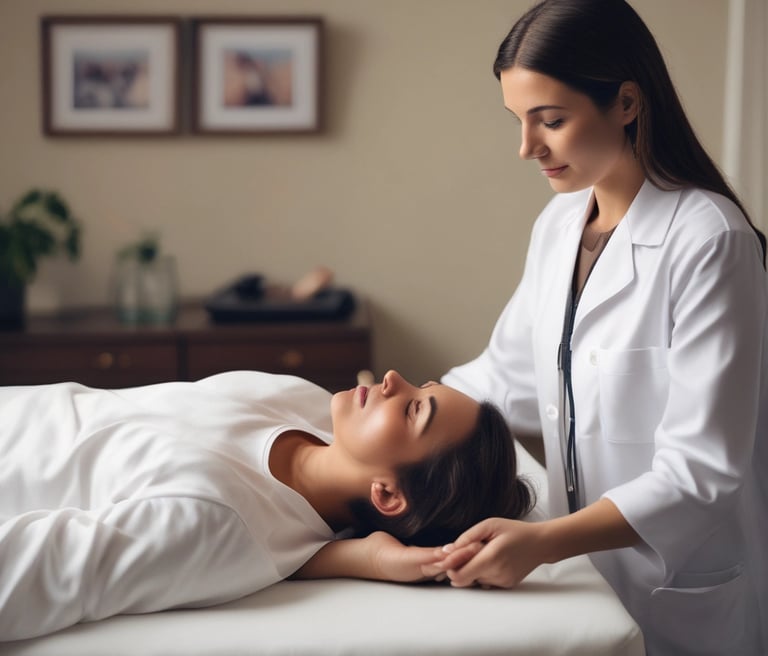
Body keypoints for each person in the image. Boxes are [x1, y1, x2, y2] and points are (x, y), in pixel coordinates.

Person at [427, 1, 766, 654]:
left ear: (628, 103)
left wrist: (548, 540)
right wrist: (394, 412)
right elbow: (508, 377)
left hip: (685, 586)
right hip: (588, 582)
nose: (527, 148)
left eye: (550, 120)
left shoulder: (709, 240)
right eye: (519, 121)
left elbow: (702, 468)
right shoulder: (558, 226)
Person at [0, 369, 533, 642]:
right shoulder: (300, 399)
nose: (392, 379)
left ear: (389, 495)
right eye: (422, 382)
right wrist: (353, 556)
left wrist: (368, 558)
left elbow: (21, 578)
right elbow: (293, 534)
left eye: (415, 408)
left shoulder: (213, 521)